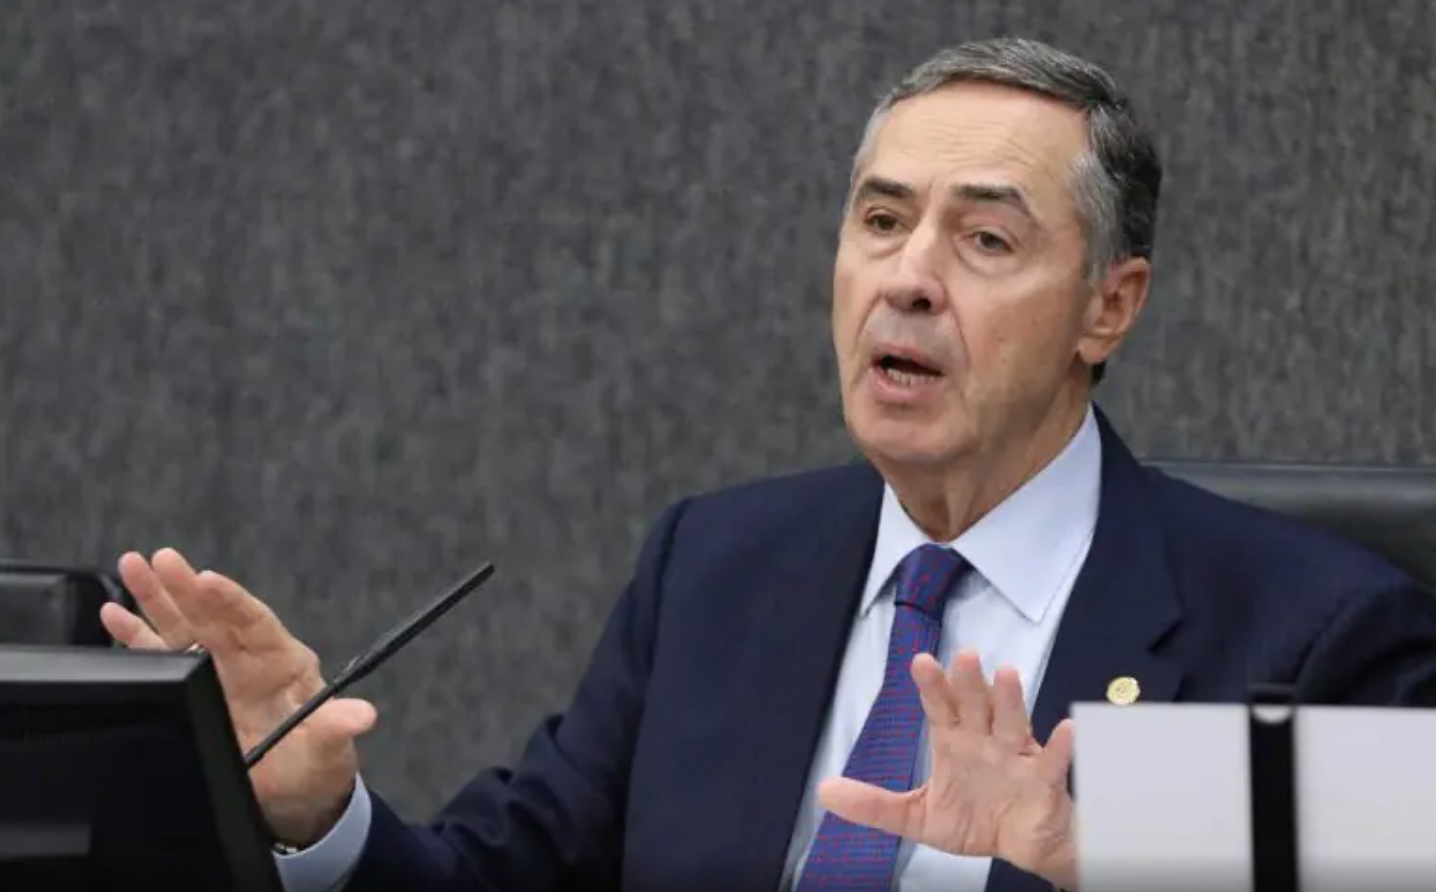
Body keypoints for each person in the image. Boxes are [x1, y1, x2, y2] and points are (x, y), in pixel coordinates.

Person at [101, 37, 1436, 892]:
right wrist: (321, 813)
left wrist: (1105, 855)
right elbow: (506, 875)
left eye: (984, 241)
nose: (908, 279)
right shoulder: (720, 569)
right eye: (881, 220)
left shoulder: (1312, 626)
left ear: (1109, 306)